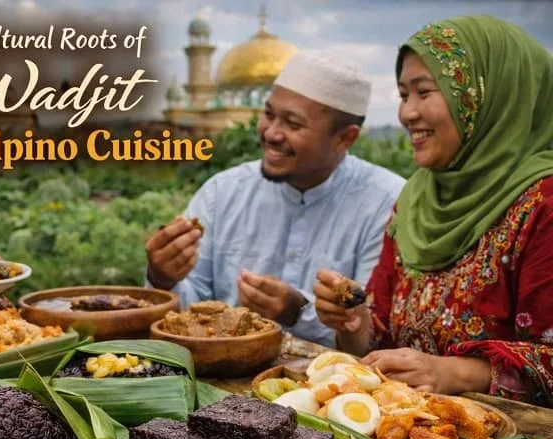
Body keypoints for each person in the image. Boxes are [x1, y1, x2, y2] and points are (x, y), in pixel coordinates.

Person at [314, 15, 553, 407]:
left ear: (487, 96)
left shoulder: (542, 204)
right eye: (403, 95)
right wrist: (352, 322)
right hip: (409, 437)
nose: (407, 113)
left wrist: (455, 372)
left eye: (424, 92)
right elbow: (379, 335)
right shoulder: (417, 199)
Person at [146, 50, 406, 347]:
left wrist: (299, 313)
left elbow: (374, 337)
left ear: (345, 138)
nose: (271, 133)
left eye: (292, 124)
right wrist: (161, 280)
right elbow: (188, 314)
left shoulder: (386, 204)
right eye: (269, 115)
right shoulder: (223, 193)